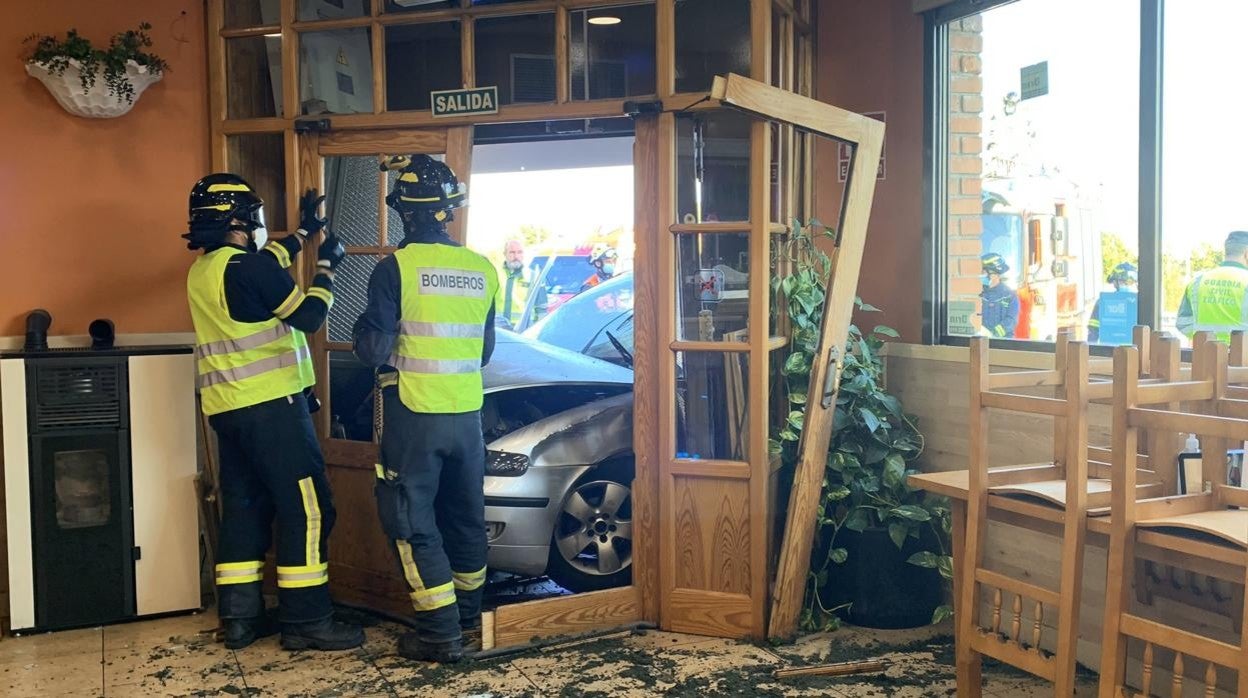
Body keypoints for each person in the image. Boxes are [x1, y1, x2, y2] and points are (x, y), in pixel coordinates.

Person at [183, 174, 364, 651]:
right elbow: (308, 318)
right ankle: (307, 621)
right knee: (309, 509)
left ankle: (240, 620)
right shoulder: (250, 269)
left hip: (228, 412)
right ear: (240, 221)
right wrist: (327, 268)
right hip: (273, 410)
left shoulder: (206, 271)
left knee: (243, 508)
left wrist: (305, 233)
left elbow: (269, 261)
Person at [352, 155, 498, 664]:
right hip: (466, 419)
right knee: (464, 518)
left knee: (411, 521)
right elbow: (483, 352)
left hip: (414, 416)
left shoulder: (395, 268)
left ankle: (438, 635)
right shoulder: (483, 269)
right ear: (448, 211)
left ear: (403, 213)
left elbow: (372, 351)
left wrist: (359, 330)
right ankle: (466, 619)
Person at [1177, 231, 1248, 342]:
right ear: (1246, 253)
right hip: (1242, 356)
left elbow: (1183, 323)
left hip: (1205, 355)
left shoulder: (1197, 282)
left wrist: (1204, 340)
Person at [498, 239, 547, 329]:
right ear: (505, 254)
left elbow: (542, 308)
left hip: (524, 330)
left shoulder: (534, 276)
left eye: (519, 252)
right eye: (512, 252)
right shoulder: (495, 274)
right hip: (499, 329)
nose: (516, 256)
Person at [1088, 262, 1138, 343]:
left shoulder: (1140, 304)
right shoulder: (1102, 303)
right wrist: (1091, 351)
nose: (1127, 285)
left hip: (1135, 352)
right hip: (1108, 352)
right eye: (1123, 282)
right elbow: (1093, 331)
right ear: (1115, 283)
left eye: (1130, 282)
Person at [979, 252, 1020, 339]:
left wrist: (993, 334)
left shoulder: (1009, 296)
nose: (981, 275)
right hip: (981, 342)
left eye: (984, 273)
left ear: (995, 274)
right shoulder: (978, 294)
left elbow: (1011, 320)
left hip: (1003, 344)